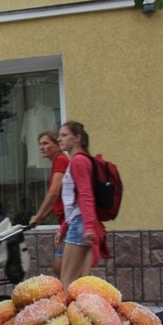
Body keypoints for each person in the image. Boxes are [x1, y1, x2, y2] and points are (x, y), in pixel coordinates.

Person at [54, 121, 110, 289]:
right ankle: (85, 314)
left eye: (64, 135)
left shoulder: (78, 161)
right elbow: (77, 200)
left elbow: (86, 195)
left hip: (80, 224)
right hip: (80, 223)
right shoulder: (82, 160)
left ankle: (70, 315)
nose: (59, 139)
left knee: (67, 281)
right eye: (59, 135)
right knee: (80, 282)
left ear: (77, 137)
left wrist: (89, 227)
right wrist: (64, 226)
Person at [28, 130, 70, 275]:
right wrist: (41, 218)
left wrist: (38, 216)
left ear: (57, 145)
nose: (41, 147)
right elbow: (55, 200)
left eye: (46, 143)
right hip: (66, 223)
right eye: (40, 144)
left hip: (70, 222)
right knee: (65, 269)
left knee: (62, 268)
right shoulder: (58, 162)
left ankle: (79, 296)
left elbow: (54, 192)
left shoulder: (61, 160)